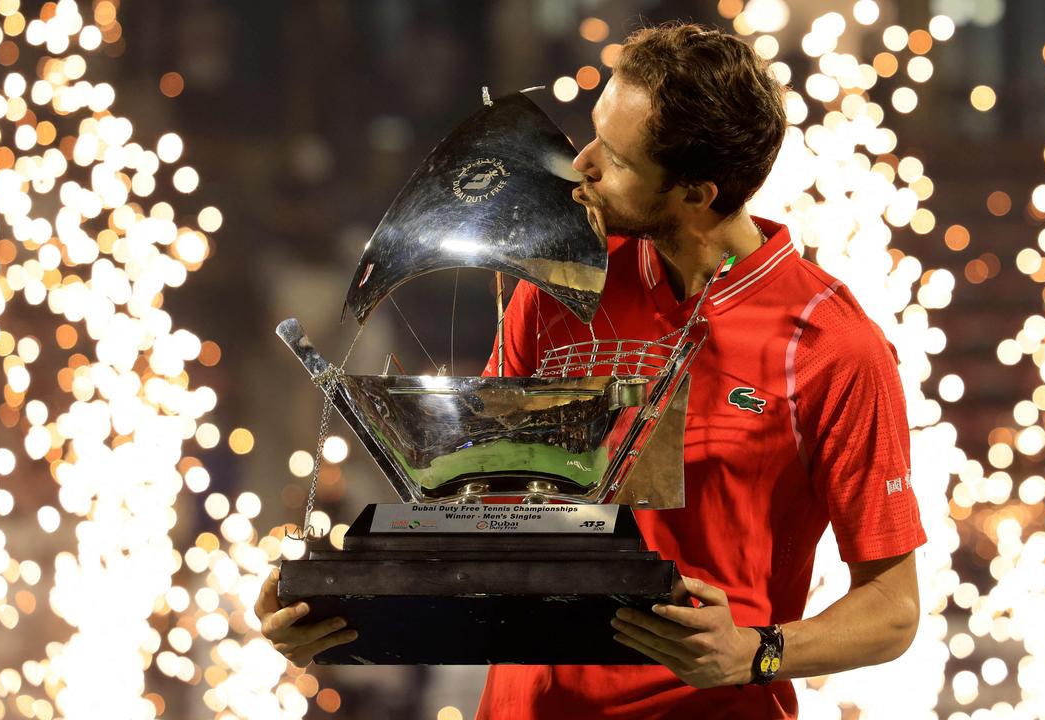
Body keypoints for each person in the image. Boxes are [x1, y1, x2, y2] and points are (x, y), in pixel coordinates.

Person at [257, 22, 926, 719]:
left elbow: (893, 610)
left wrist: (759, 651)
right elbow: (472, 513)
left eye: (618, 157)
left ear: (697, 194)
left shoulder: (832, 348)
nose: (582, 163)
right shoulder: (555, 289)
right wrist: (332, 597)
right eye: (594, 131)